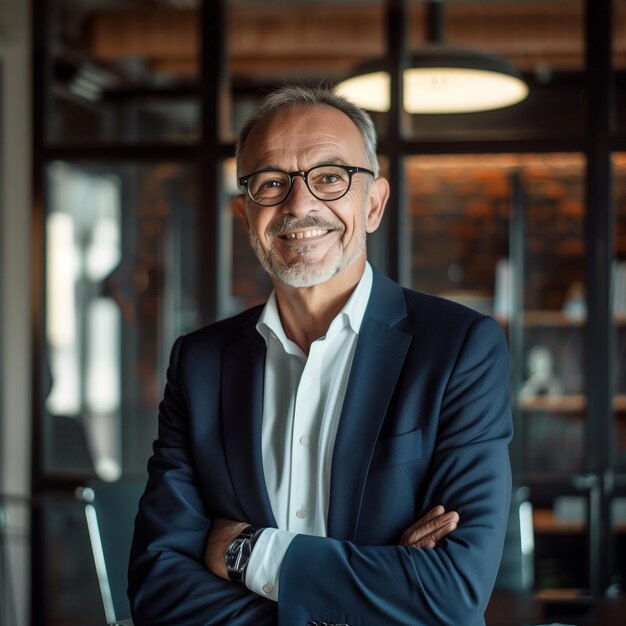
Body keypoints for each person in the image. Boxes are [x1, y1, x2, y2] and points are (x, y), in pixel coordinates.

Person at [128, 85, 512, 626]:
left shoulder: (459, 349)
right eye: (271, 182)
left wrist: (243, 552)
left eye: (329, 177)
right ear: (246, 215)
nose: (299, 204)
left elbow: (451, 594)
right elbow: (159, 589)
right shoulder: (199, 363)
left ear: (373, 204)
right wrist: (376, 589)